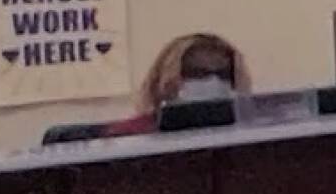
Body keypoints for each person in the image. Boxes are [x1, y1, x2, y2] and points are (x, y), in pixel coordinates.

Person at [99, 32, 251, 136]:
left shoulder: (247, 133)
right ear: (169, 76)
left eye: (223, 73)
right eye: (197, 73)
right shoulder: (127, 134)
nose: (213, 80)